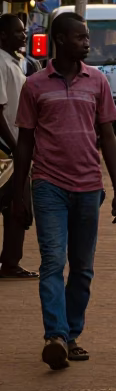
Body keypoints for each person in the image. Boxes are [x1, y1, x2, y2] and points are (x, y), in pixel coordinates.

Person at [11, 11, 116, 370]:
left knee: (83, 269)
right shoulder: (35, 85)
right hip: (48, 187)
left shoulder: (98, 82)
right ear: (60, 41)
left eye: (87, 38)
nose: (87, 44)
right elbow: (25, 143)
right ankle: (55, 336)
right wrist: (19, 193)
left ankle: (71, 334)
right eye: (80, 38)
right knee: (52, 263)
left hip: (89, 187)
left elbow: (108, 137)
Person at [0, 14, 36, 279]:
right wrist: (15, 147)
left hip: (15, 150)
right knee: (17, 206)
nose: (24, 36)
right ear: (3, 35)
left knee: (18, 208)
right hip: (7, 151)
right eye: (18, 32)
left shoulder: (15, 62)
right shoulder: (0, 63)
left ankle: (11, 262)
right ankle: (10, 264)